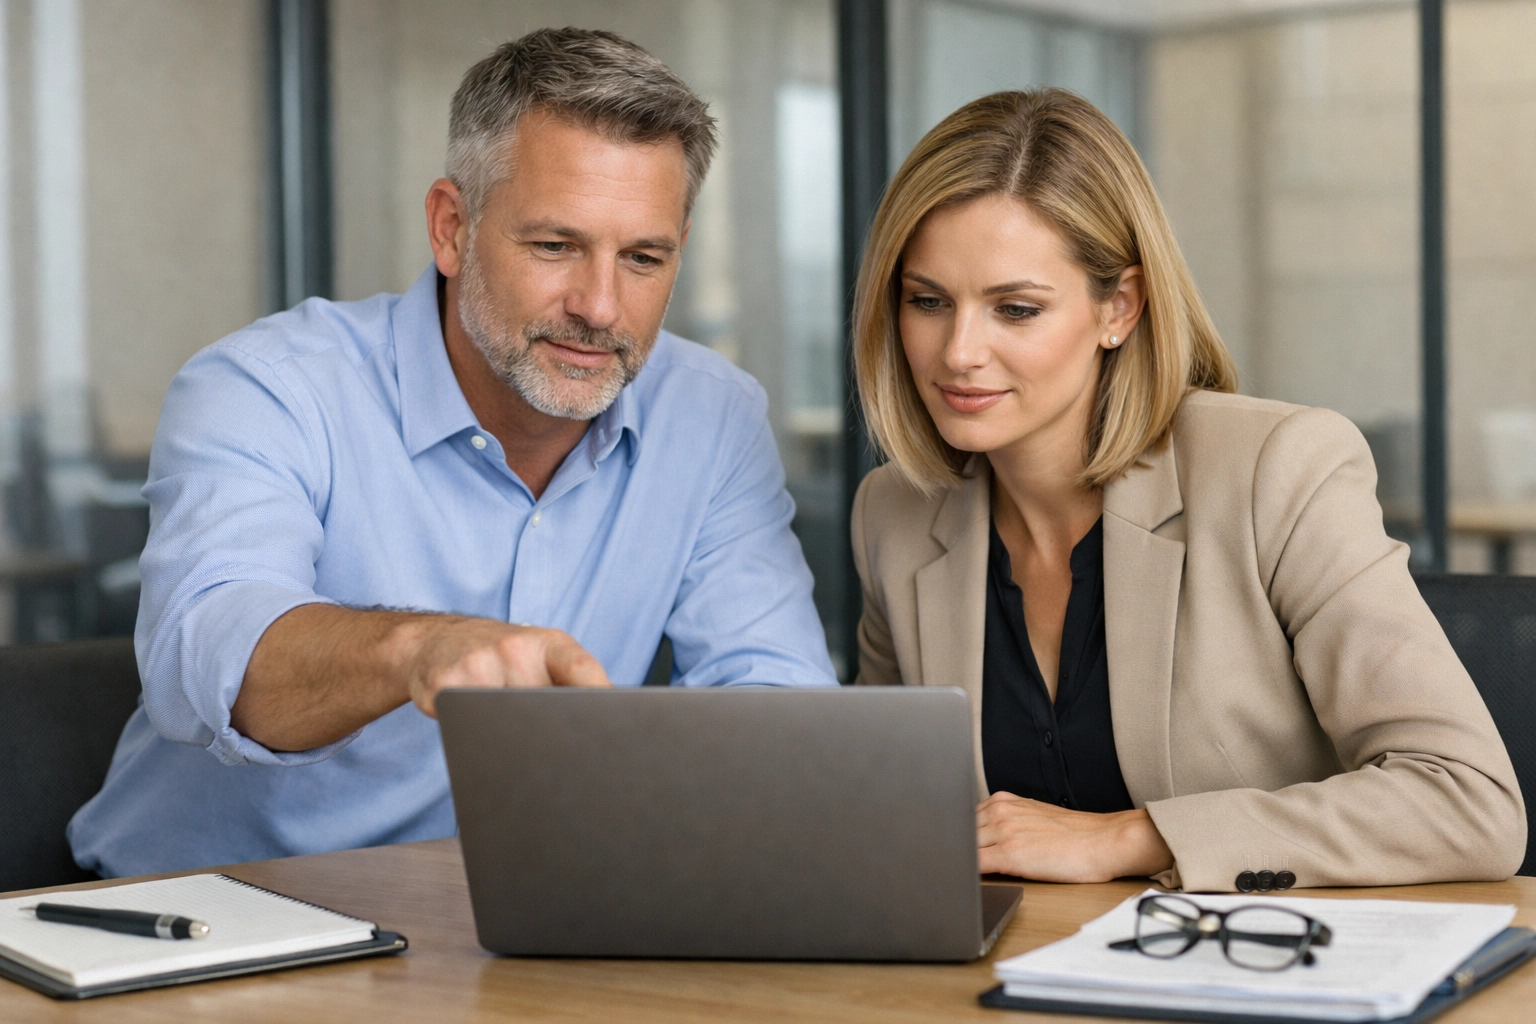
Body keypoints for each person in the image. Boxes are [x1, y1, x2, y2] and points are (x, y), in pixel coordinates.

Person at [70, 28, 836, 878]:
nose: (600, 307)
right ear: (451, 227)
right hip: (212, 931)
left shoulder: (712, 416)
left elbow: (778, 705)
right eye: (555, 246)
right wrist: (419, 650)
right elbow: (207, 655)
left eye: (644, 258)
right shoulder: (268, 387)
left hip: (504, 930)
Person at [849, 88, 1524, 892]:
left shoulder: (1277, 469)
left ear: (1119, 308)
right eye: (928, 302)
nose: (959, 352)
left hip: (1255, 979)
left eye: (1016, 309)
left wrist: (1129, 839)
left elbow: (1468, 800)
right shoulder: (893, 513)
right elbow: (887, 808)